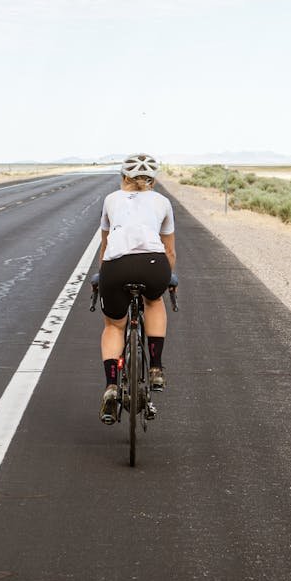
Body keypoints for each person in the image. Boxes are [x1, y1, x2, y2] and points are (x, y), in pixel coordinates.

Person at [96, 154, 176, 424]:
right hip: (154, 264)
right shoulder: (163, 202)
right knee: (154, 301)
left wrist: (102, 276)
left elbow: (105, 246)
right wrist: (168, 278)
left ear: (123, 177)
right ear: (153, 180)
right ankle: (155, 368)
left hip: (115, 266)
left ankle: (111, 386)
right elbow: (170, 251)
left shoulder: (111, 199)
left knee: (114, 326)